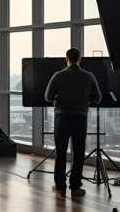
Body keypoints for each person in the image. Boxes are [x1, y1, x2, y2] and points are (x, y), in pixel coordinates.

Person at [44, 47, 101, 197]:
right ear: (79, 59)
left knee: (61, 152)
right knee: (79, 153)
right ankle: (75, 188)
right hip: (80, 119)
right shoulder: (89, 77)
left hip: (62, 118)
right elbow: (98, 98)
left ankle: (60, 187)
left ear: (66, 59)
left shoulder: (58, 76)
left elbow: (48, 97)